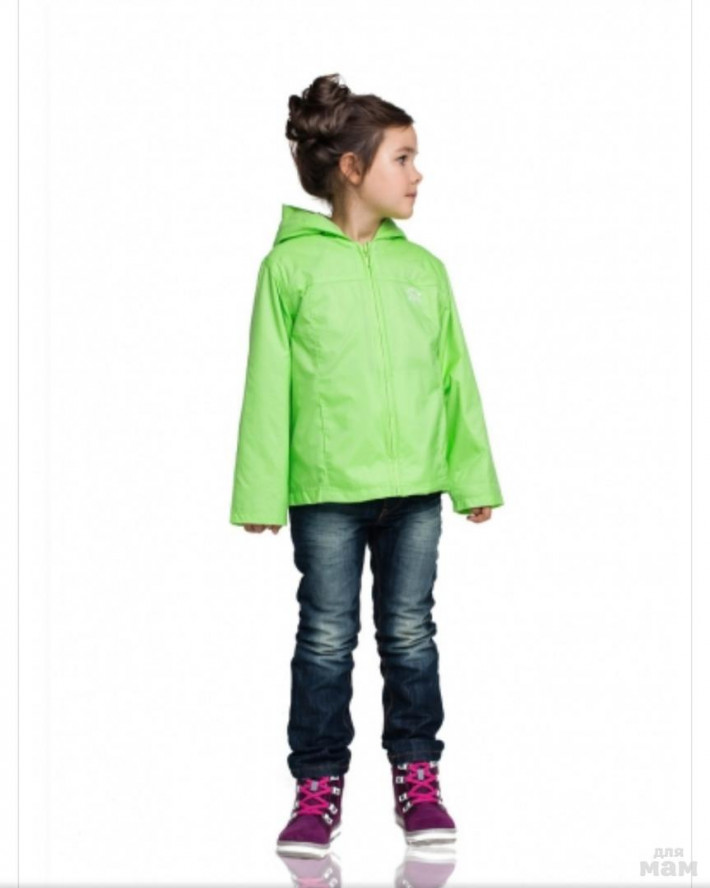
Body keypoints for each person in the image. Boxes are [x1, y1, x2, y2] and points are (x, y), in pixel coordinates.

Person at [229, 73, 504, 858]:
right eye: (402, 158)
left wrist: (473, 478)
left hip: (416, 490)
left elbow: (456, 380)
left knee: (411, 635)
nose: (418, 174)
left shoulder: (426, 272)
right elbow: (267, 387)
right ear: (352, 168)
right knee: (325, 638)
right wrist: (261, 493)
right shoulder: (289, 269)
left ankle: (419, 777)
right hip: (326, 492)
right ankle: (317, 788)